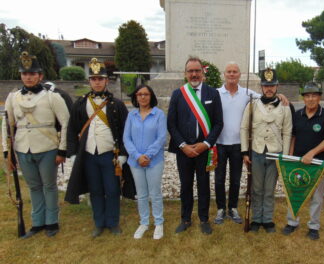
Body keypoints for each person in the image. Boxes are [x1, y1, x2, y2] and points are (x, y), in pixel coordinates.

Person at [213, 62, 290, 225]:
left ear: (240, 75)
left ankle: (241, 210)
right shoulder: (216, 94)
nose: (232, 74)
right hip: (222, 143)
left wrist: (281, 95)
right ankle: (224, 210)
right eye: (229, 71)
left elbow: (270, 100)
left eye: (235, 71)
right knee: (220, 179)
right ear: (224, 74)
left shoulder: (248, 94)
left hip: (251, 147)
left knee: (238, 180)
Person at [5, 51, 70, 238]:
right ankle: (37, 222)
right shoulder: (13, 98)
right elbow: (8, 126)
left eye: (32, 74)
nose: (28, 77)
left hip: (47, 146)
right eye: (25, 74)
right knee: (33, 187)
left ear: (40, 76)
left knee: (49, 185)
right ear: (21, 75)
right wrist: (7, 153)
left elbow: (65, 123)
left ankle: (52, 221)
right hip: (23, 148)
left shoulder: (52, 97)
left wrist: (62, 150)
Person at [65, 58, 130, 238]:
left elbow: (126, 131)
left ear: (106, 81)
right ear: (90, 82)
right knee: (95, 191)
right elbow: (72, 130)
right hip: (88, 155)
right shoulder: (79, 103)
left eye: (100, 79)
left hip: (110, 155)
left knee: (112, 190)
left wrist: (123, 154)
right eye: (94, 79)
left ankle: (113, 222)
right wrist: (72, 154)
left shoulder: (117, 104)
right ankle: (99, 223)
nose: (97, 82)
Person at [167, 56, 223, 235]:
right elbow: (171, 124)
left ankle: (204, 219)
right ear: (185, 74)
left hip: (204, 150)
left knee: (204, 185)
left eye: (197, 70)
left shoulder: (212, 93)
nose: (194, 74)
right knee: (185, 185)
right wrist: (183, 145)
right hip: (184, 151)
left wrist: (205, 144)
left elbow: (218, 124)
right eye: (190, 71)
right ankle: (185, 218)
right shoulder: (178, 94)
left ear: (202, 72)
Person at [240, 68, 292, 233]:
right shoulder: (252, 105)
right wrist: (244, 152)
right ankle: (256, 219)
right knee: (256, 189)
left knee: (269, 189)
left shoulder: (285, 107)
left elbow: (287, 132)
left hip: (275, 153)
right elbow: (244, 129)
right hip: (256, 151)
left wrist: (284, 155)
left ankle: (267, 219)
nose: (269, 89)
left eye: (272, 85)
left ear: (277, 86)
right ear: (261, 86)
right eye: (265, 85)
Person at [281, 82, 324, 240]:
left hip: (317, 163)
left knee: (316, 197)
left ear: (319, 97)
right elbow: (293, 137)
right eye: (307, 96)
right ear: (303, 98)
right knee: (294, 193)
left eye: (314, 96)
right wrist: (290, 157)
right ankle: (292, 222)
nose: (311, 99)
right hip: (297, 162)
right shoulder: (297, 115)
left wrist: (312, 153)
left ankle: (313, 226)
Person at [123, 84, 167, 240]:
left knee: (154, 193)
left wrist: (147, 156)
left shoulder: (159, 115)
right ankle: (144, 222)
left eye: (146, 94)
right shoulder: (131, 116)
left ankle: (159, 223)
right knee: (141, 194)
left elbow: (161, 138)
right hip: (136, 162)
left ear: (151, 96)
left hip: (154, 161)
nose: (143, 97)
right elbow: (126, 138)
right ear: (136, 97)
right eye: (139, 94)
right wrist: (137, 156)